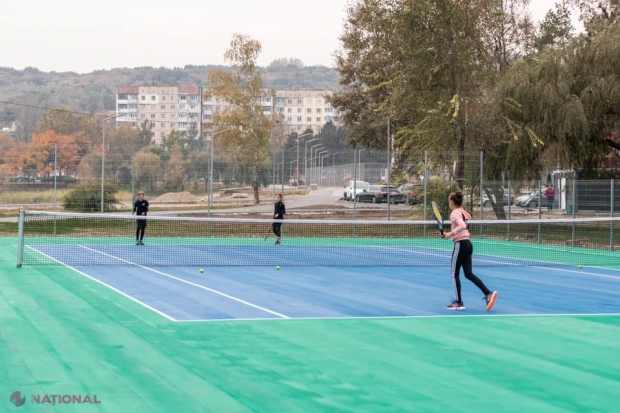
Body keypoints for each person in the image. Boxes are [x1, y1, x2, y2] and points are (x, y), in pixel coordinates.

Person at [441, 191, 498, 311]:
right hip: (468, 244)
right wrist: (448, 235)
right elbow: (461, 227)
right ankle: (488, 293)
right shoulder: (462, 212)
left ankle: (458, 302)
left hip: (461, 245)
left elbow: (462, 226)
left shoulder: (455, 213)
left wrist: (450, 234)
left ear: (451, 202)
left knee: (454, 273)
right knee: (468, 274)